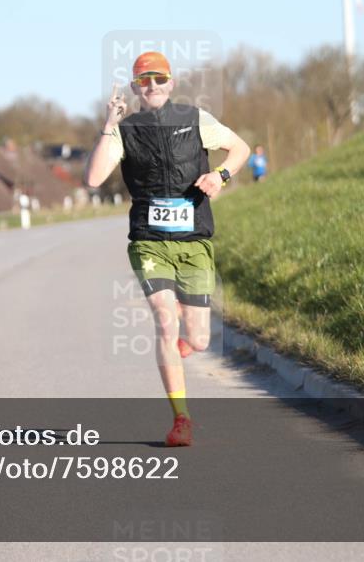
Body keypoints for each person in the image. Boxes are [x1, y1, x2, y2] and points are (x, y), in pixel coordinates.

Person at [84, 51, 251, 446]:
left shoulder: (196, 120)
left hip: (193, 243)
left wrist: (220, 175)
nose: (153, 87)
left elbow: (240, 148)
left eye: (159, 79)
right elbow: (93, 178)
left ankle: (179, 344)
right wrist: (110, 123)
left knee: (198, 339)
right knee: (163, 318)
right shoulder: (126, 130)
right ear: (135, 88)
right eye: (144, 81)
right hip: (149, 242)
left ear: (171, 83)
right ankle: (181, 419)